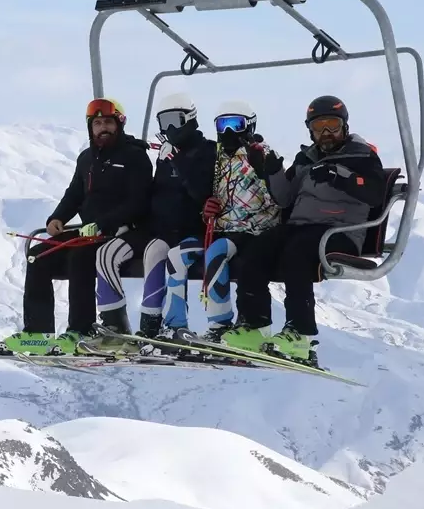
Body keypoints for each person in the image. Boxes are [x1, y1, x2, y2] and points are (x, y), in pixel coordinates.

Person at [227, 95, 387, 363]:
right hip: (301, 228)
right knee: (258, 246)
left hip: (340, 232)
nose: (326, 133)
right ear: (310, 130)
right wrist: (271, 170)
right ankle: (254, 326)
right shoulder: (306, 158)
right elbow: (285, 199)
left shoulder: (362, 156)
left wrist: (340, 176)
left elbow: (374, 192)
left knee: (297, 251)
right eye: (318, 127)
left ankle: (299, 334)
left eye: (332, 125)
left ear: (344, 126)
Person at [0, 97, 153, 356]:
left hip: (119, 232)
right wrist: (56, 218)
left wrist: (104, 224)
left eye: (108, 123)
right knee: (39, 256)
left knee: (80, 256)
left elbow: (138, 202)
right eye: (97, 124)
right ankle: (38, 332)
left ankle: (80, 329)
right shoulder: (87, 158)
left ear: (119, 124)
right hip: (87, 231)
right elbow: (74, 194)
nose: (102, 128)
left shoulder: (135, 157)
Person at [162, 99, 282, 343]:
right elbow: (202, 191)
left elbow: (279, 197)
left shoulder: (261, 155)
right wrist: (206, 210)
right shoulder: (216, 158)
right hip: (225, 229)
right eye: (222, 125)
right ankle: (204, 325)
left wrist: (264, 170)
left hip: (257, 229)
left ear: (248, 125)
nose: (228, 132)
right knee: (199, 253)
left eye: (235, 124)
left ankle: (249, 327)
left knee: (233, 258)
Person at [100, 92, 216, 341]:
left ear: (190, 118)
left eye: (176, 120)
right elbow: (156, 195)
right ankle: (149, 327)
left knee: (173, 257)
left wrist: (177, 161)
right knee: (153, 250)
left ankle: (175, 324)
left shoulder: (207, 151)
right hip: (165, 230)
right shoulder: (166, 155)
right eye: (165, 122)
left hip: (193, 232)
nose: (171, 128)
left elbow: (201, 192)